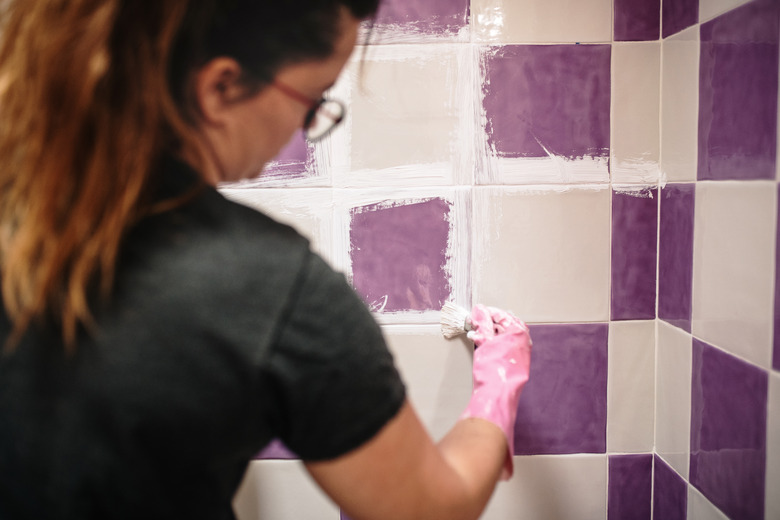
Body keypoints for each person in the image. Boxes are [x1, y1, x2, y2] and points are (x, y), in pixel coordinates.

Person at [0, 1, 533, 519]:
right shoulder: (267, 290)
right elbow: (431, 508)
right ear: (220, 87)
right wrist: (496, 388)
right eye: (314, 97)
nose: (307, 126)